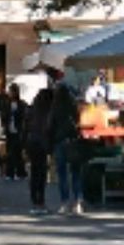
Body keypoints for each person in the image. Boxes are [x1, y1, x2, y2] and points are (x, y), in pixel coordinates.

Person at [47, 74, 83, 215]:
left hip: (60, 141)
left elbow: (50, 126)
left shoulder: (55, 109)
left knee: (62, 173)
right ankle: (78, 202)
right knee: (76, 172)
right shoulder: (73, 108)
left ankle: (65, 202)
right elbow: (78, 122)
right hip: (73, 141)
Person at [23, 85, 54, 215]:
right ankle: (40, 201)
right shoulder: (48, 112)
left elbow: (25, 127)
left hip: (31, 143)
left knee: (34, 172)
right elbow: (50, 129)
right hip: (42, 143)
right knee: (41, 173)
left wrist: (24, 144)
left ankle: (34, 201)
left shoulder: (31, 110)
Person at [3, 83, 28, 180]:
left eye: (11, 91)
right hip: (10, 130)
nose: (10, 93)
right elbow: (4, 115)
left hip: (18, 131)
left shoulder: (21, 104)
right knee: (10, 152)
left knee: (16, 152)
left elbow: (23, 117)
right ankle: (11, 172)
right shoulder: (7, 104)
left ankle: (18, 172)